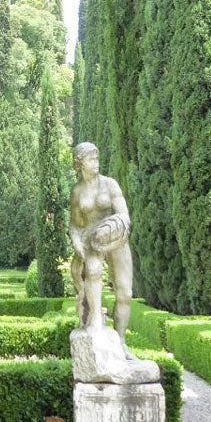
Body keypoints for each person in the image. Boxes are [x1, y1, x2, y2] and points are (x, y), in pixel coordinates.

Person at [68, 142, 133, 346]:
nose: (96, 162)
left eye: (96, 158)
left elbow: (124, 215)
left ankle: (121, 342)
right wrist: (76, 240)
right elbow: (74, 224)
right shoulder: (77, 191)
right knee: (93, 271)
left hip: (115, 238)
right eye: (90, 159)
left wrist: (115, 228)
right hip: (92, 240)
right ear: (80, 163)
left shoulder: (110, 184)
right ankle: (95, 319)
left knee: (125, 293)